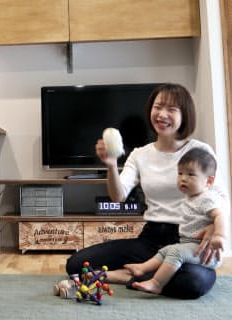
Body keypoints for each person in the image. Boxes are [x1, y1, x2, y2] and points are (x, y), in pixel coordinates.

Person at [65, 83, 220, 299]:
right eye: (158, 107)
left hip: (188, 240)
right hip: (150, 239)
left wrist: (214, 227)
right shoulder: (140, 154)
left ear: (185, 115)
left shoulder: (199, 151)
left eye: (171, 109)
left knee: (193, 282)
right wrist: (111, 164)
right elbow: (118, 196)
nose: (162, 114)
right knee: (76, 264)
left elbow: (219, 196)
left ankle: (124, 276)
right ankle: (150, 273)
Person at [124, 147, 225, 294]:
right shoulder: (191, 197)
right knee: (166, 250)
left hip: (203, 250)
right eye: (180, 173)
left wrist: (219, 236)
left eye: (191, 174)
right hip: (189, 245)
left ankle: (156, 283)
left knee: (176, 252)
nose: (183, 178)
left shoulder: (207, 199)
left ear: (209, 181)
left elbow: (220, 215)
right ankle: (142, 268)